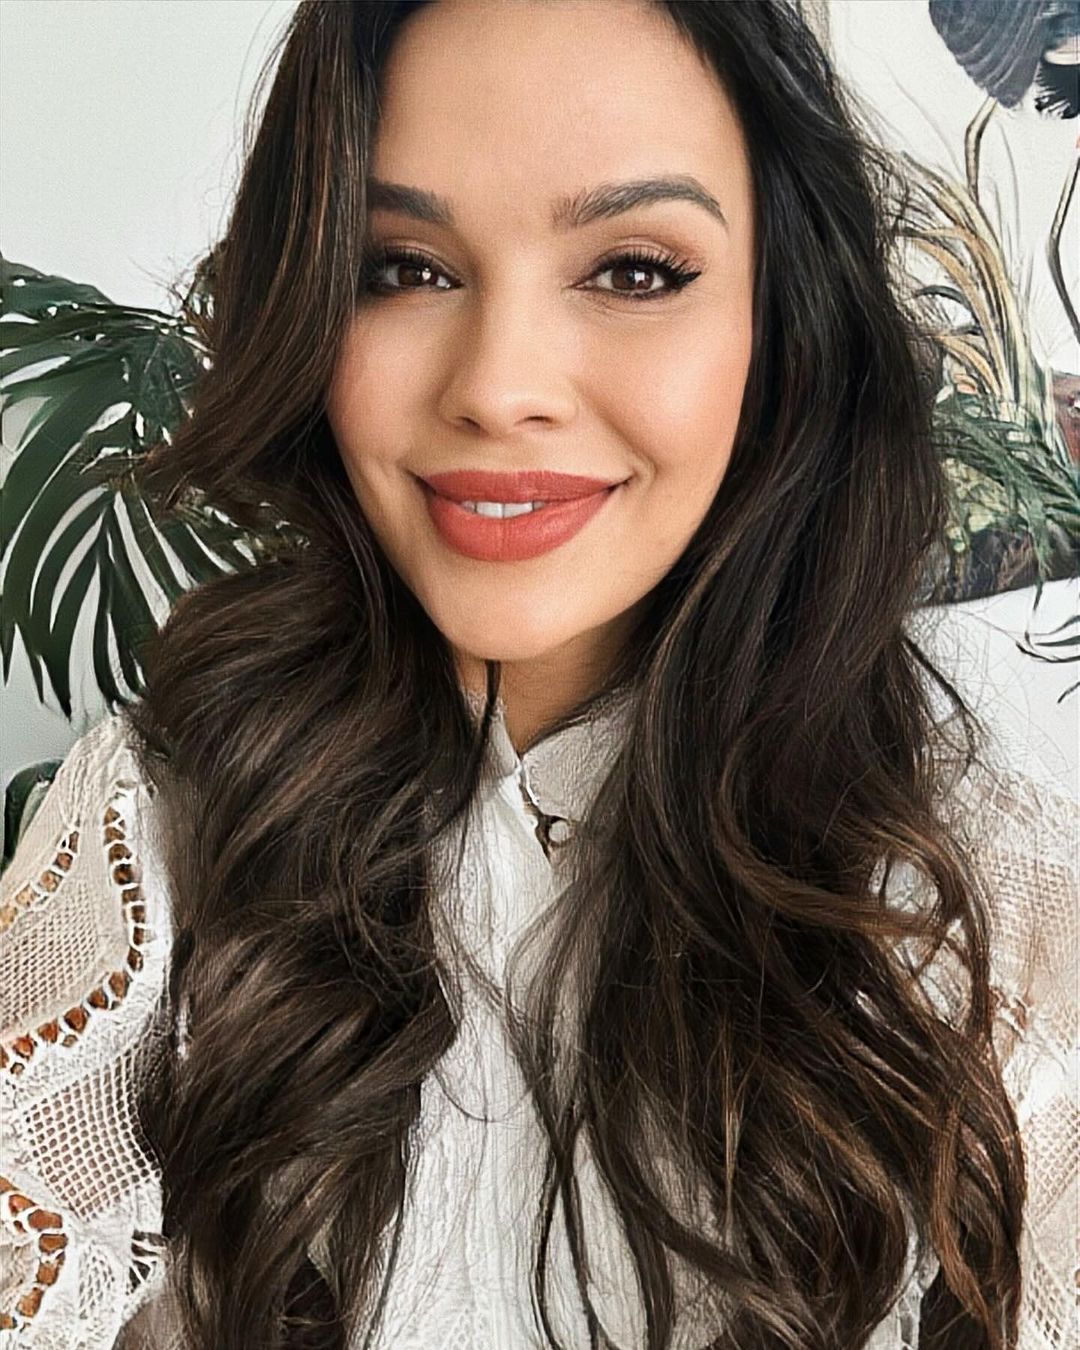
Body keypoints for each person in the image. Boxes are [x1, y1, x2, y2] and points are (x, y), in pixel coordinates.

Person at [0, 1, 1075, 1347]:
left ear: (783, 323)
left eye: (634, 270)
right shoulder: (152, 836)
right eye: (402, 267)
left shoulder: (984, 911)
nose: (500, 386)